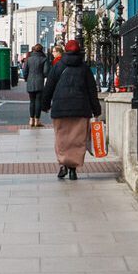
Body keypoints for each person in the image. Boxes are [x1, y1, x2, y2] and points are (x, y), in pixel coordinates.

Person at [41, 39, 100, 180]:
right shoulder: (85, 68)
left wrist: (45, 105)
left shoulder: (57, 66)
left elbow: (49, 87)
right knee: (78, 140)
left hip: (60, 109)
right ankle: (73, 168)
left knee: (62, 138)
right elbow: (92, 91)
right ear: (79, 51)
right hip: (81, 109)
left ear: (66, 51)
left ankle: (63, 164)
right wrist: (96, 110)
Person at [22, 43, 48, 127]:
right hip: (39, 81)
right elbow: (46, 72)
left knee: (32, 101)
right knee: (38, 101)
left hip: (30, 81)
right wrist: (42, 76)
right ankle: (37, 120)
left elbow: (24, 71)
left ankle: (31, 120)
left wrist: (26, 78)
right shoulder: (44, 59)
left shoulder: (28, 59)